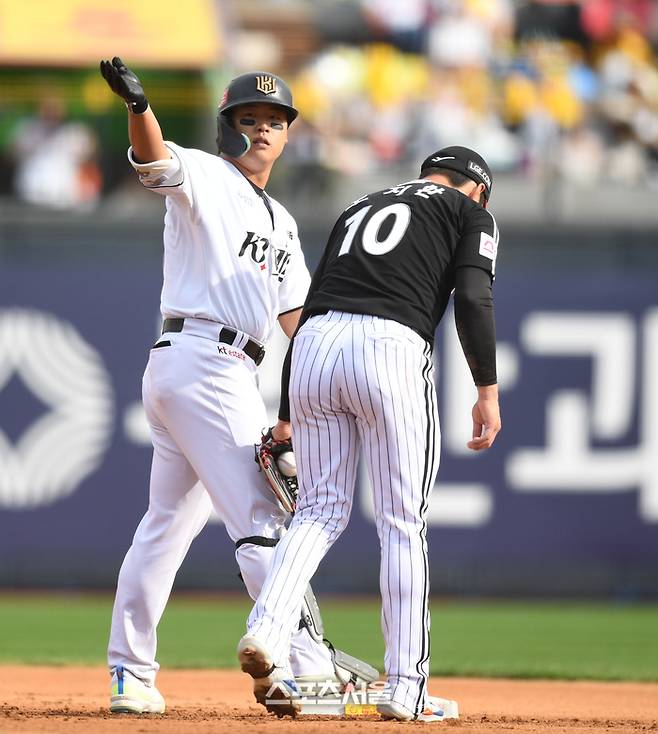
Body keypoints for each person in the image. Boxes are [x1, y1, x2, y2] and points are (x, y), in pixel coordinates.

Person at [98, 57, 373, 715]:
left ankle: (129, 674)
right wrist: (139, 108)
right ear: (229, 128)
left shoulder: (281, 223)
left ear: (288, 134)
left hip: (206, 371)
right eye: (248, 118)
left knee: (165, 525)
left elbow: (299, 321)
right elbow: (154, 160)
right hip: (204, 364)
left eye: (274, 120)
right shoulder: (205, 175)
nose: (262, 129)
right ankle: (298, 667)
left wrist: (319, 387)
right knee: (262, 520)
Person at [237, 146, 502, 722]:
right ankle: (406, 689)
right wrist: (486, 389)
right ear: (477, 188)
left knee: (317, 511)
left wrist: (286, 409)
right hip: (389, 345)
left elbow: (307, 312)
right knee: (402, 521)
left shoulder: (363, 202)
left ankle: (266, 630)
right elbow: (475, 298)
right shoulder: (468, 211)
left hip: (314, 348)